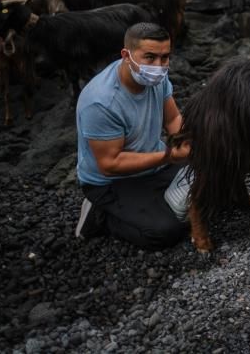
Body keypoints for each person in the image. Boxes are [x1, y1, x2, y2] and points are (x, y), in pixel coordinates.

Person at [74, 22, 191, 250]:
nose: (158, 66)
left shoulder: (156, 79)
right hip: (112, 181)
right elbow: (110, 164)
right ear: (126, 55)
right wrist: (169, 156)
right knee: (164, 232)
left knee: (215, 178)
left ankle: (151, 199)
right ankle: (100, 215)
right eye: (150, 57)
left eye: (165, 57)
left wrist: (189, 143)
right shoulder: (101, 102)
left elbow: (173, 120)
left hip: (153, 162)